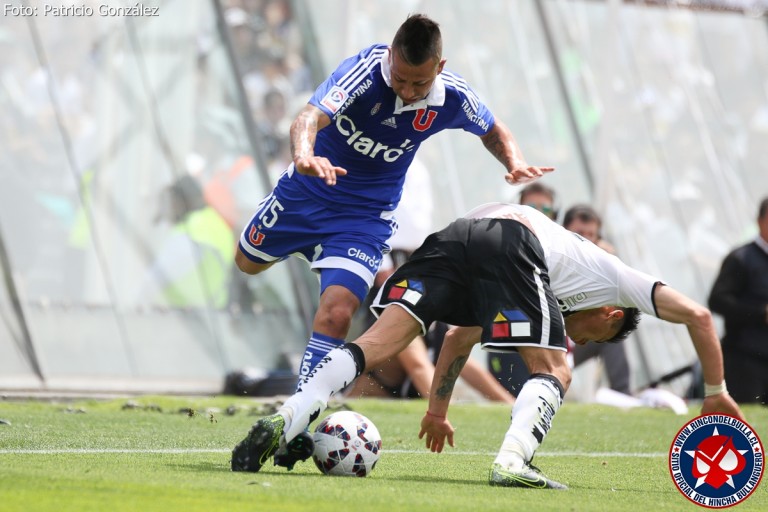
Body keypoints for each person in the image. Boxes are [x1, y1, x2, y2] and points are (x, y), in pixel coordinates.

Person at [230, 202, 743, 489]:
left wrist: (436, 410)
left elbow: (457, 338)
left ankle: (289, 417)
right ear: (612, 315)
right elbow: (699, 315)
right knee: (556, 369)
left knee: (375, 344)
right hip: (515, 241)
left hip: (457, 237)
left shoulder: (553, 286)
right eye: (593, 333)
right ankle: (513, 461)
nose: (578, 335)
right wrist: (716, 390)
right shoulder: (620, 281)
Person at [234, 14, 551, 467]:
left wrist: (514, 160)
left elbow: (493, 129)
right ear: (389, 58)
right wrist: (304, 156)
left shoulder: (452, 95)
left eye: (417, 83)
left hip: (365, 218)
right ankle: (300, 411)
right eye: (400, 78)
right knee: (246, 262)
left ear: (439, 68)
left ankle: (298, 419)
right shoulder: (364, 73)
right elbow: (308, 115)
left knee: (339, 309)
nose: (406, 89)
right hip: (306, 192)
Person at [561, 204, 630, 396]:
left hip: (572, 342)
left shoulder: (599, 265)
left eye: (591, 234)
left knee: (611, 332)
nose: (584, 239)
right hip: (545, 342)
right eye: (579, 232)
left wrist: (608, 262)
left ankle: (623, 395)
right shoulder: (552, 257)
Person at [708, 196, 768, 404]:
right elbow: (717, 300)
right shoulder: (741, 258)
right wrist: (761, 313)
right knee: (744, 426)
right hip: (745, 358)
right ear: (760, 221)